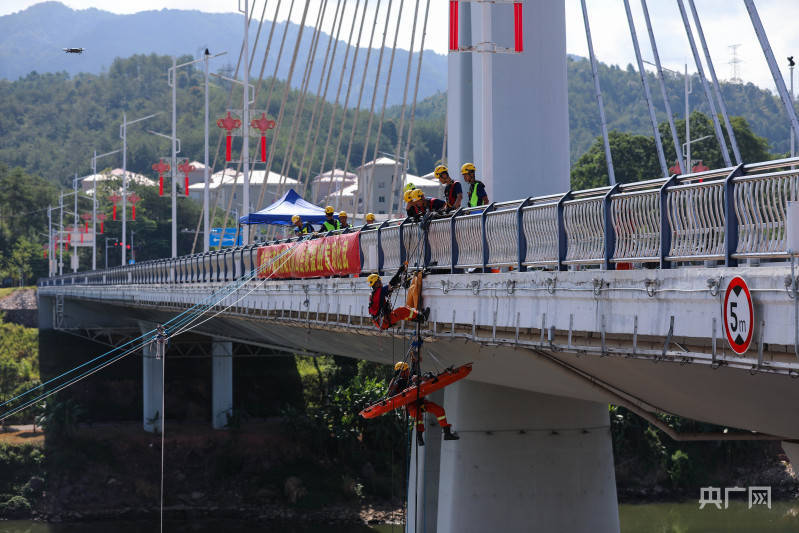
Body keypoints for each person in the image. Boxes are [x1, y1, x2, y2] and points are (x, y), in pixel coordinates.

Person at [387, 361, 460, 446]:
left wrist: (423, 377)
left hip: (421, 402)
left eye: (408, 369)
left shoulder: (411, 377)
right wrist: (395, 376)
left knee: (439, 410)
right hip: (411, 405)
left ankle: (447, 433)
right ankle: (419, 437)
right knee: (417, 415)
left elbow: (419, 377)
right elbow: (390, 390)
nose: (408, 371)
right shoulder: (399, 382)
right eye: (406, 370)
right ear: (401, 372)